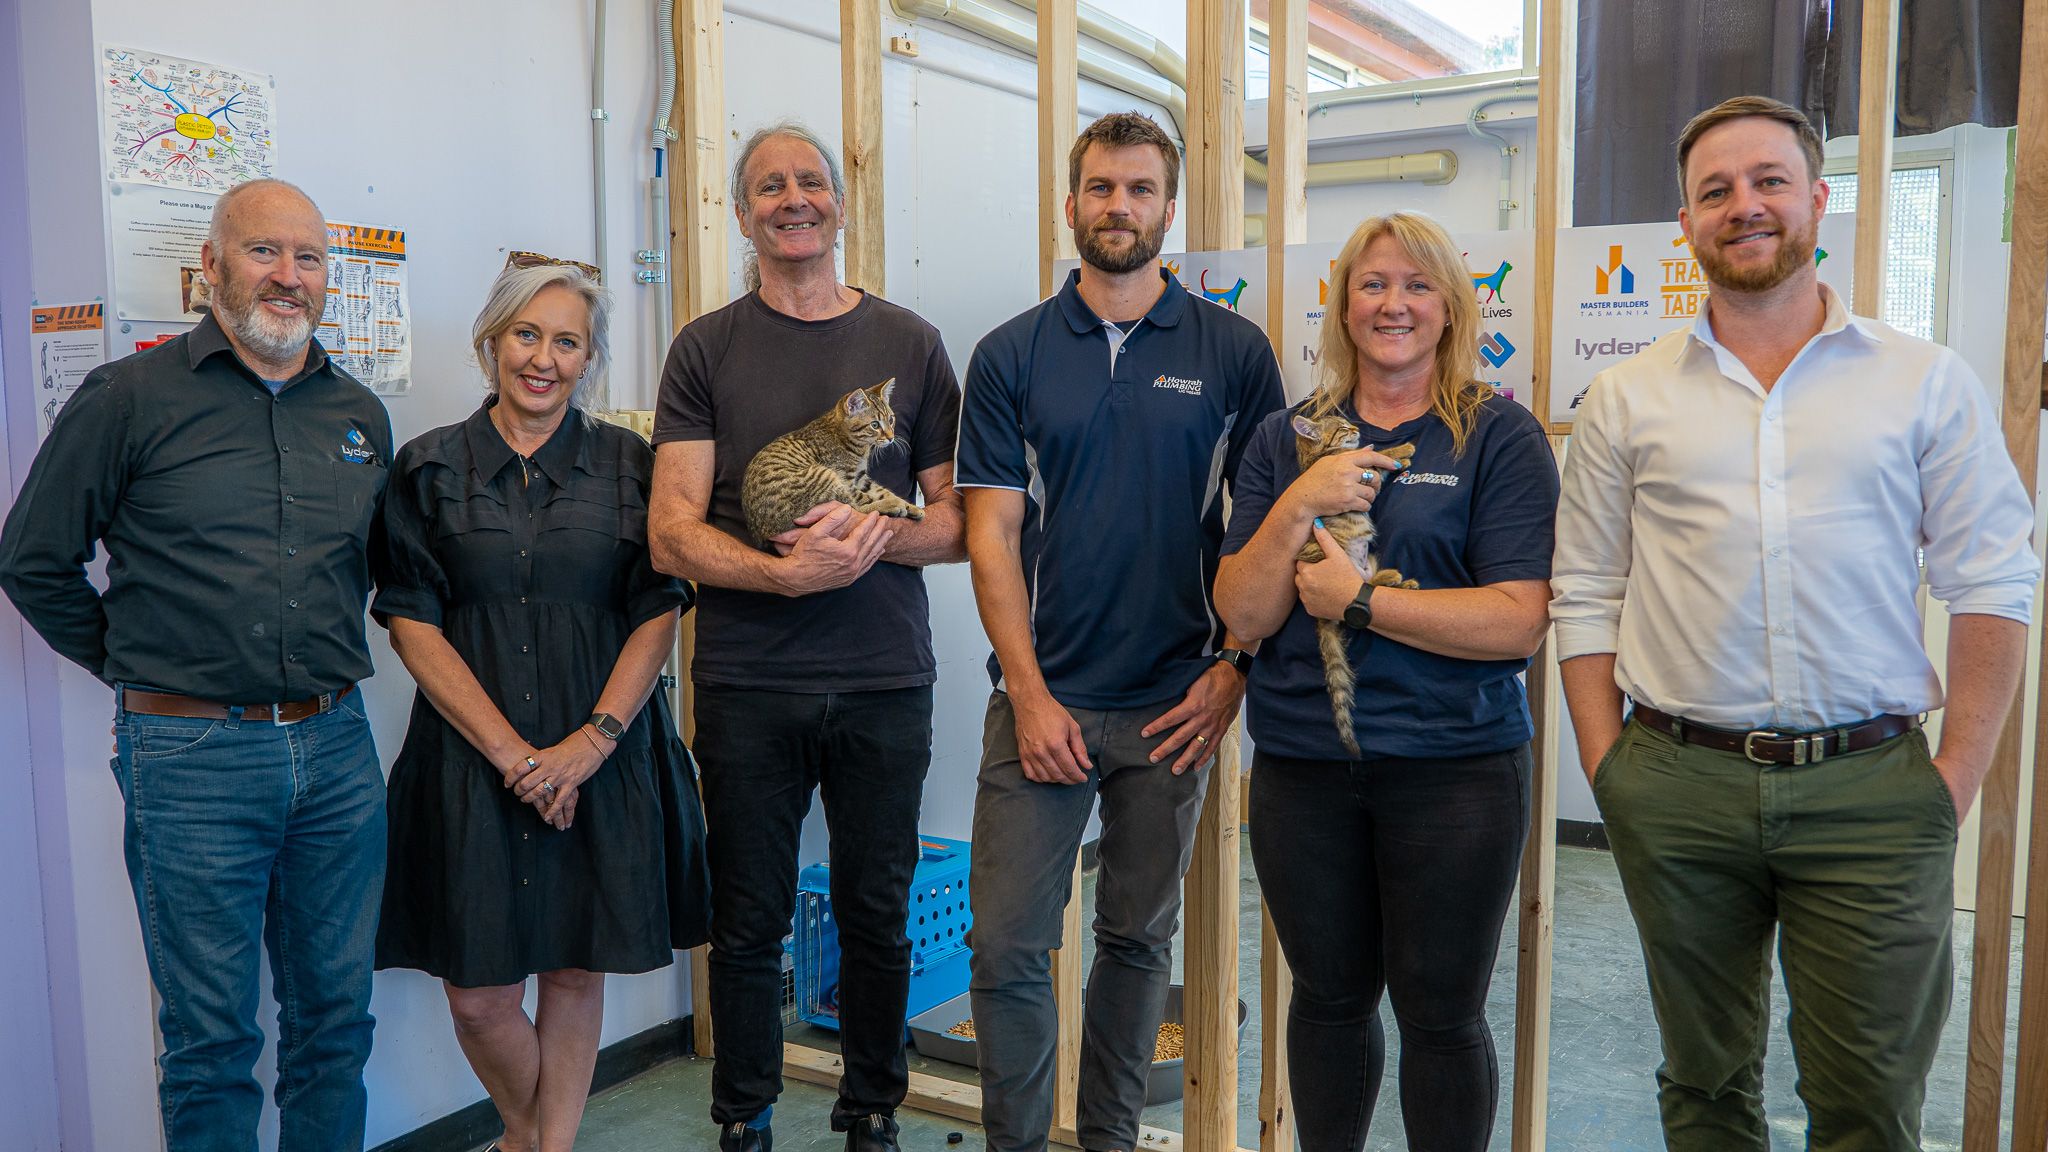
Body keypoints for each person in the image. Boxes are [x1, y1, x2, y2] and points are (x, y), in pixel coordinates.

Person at [1551, 95, 2039, 1150]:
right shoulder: (1626, 400)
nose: (1743, 206)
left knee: (1865, 1099)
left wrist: (1948, 779)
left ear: (1816, 201)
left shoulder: (1920, 383)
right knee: (1703, 1087)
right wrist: (1610, 770)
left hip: (1871, 790)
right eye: (1714, 191)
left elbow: (1993, 580)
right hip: (1676, 784)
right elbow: (1582, 591)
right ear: (1683, 223)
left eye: (1767, 181)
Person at [0, 178, 392, 1151]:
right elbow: (32, 559)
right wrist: (141, 670)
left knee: (335, 1028)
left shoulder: (356, 414)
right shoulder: (131, 398)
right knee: (212, 1042)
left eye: (307, 257)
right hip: (191, 762)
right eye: (264, 252)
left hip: (339, 755)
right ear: (207, 268)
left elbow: (377, 575)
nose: (287, 276)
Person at [954, 111, 1286, 1152]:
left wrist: (1231, 669)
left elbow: (1266, 533)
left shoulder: (1233, 352)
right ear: (1069, 205)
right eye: (1099, 188)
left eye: (1139, 190)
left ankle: (1103, 1141)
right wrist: (1029, 691)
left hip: (1172, 708)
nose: (1118, 207)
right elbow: (991, 535)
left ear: (1167, 209)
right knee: (1004, 949)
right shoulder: (1008, 354)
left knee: (1135, 943)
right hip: (1039, 706)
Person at [646, 120, 965, 1152]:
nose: (794, 198)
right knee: (748, 920)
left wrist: (871, 542)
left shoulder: (909, 344)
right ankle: (743, 1115)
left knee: (876, 910)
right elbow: (671, 530)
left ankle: (870, 1108)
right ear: (742, 214)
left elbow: (957, 522)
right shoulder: (705, 348)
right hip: (746, 683)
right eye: (770, 185)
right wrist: (785, 575)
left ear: (837, 204)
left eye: (811, 182)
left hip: (881, 682)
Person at [1212, 210, 1557, 1150]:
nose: (1392, 304)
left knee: (1441, 1016)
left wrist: (1363, 602)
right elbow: (1242, 615)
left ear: (1451, 307)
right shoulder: (1286, 440)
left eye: (1415, 285)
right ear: (1342, 305)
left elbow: (1517, 622)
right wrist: (1296, 505)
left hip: (1456, 773)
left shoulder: (1498, 437)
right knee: (1326, 1002)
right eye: (1372, 284)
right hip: (1304, 771)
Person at [372, 260, 709, 1152]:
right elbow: (411, 622)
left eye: (568, 342)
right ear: (492, 342)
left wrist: (586, 748)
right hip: (469, 759)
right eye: (527, 335)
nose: (544, 359)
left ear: (589, 358)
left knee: (571, 964)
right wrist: (518, 757)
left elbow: (659, 609)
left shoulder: (633, 466)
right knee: (478, 995)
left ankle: (541, 1149)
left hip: (599, 750)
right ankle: (537, 1138)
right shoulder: (428, 466)